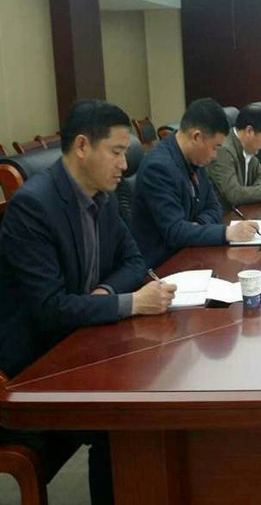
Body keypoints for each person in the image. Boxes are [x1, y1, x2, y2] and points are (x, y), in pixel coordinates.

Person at [0, 99, 177, 503]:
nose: (124, 165)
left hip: (81, 340)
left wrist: (106, 295)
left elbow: (135, 261)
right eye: (116, 152)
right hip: (34, 365)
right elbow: (50, 309)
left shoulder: (103, 195)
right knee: (126, 420)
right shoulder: (33, 206)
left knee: (157, 382)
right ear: (82, 146)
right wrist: (131, 303)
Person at [131, 98, 259, 268]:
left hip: (192, 252)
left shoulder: (194, 159)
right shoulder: (158, 168)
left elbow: (214, 207)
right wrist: (227, 232)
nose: (214, 155)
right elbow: (175, 232)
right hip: (164, 265)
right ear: (197, 137)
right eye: (214, 147)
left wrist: (195, 227)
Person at [207, 103, 261, 212]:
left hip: (244, 211)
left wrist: (258, 191)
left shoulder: (247, 147)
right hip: (225, 217)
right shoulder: (223, 150)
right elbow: (234, 194)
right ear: (249, 131)